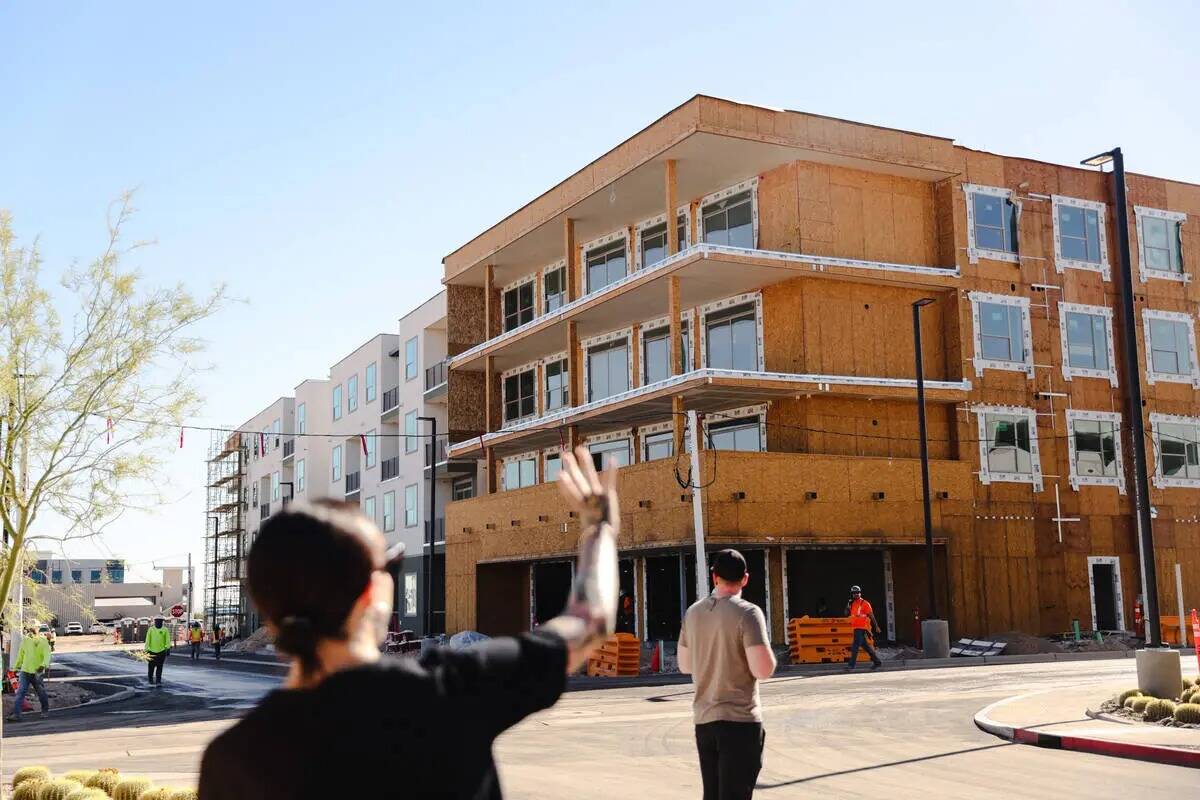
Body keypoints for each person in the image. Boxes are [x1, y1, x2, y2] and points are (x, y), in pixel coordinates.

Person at [198, 445, 619, 800]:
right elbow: (590, 619)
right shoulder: (449, 692)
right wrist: (598, 527)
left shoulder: (231, 758)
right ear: (370, 593)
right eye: (392, 567)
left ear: (267, 611)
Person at [678, 549, 776, 800]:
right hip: (740, 722)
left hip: (705, 722)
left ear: (714, 577)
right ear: (745, 578)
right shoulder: (748, 613)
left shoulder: (693, 613)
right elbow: (762, 669)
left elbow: (685, 665)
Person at [6, 623, 51, 722]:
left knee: (41, 692)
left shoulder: (43, 641)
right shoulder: (25, 640)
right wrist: (15, 667)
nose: (32, 630)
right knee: (20, 692)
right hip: (25, 671)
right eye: (30, 628)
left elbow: (47, 655)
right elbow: (21, 655)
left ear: (38, 629)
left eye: (34, 628)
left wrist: (43, 665)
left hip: (37, 672)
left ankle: (45, 710)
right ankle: (17, 714)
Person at [844, 584, 882, 671]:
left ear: (860, 593)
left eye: (857, 593)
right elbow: (846, 613)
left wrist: (876, 626)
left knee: (855, 646)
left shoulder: (865, 603)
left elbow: (872, 616)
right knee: (866, 647)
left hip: (861, 628)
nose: (855, 594)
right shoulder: (852, 603)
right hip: (856, 628)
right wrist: (848, 606)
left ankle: (851, 665)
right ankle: (877, 662)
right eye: (854, 593)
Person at [145, 616, 171, 685]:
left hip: (161, 651)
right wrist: (146, 650)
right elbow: (147, 640)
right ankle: (150, 680)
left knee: (159, 667)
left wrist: (168, 648)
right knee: (151, 667)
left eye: (160, 621)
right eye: (157, 621)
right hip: (151, 651)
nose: (159, 622)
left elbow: (167, 640)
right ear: (155, 621)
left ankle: (158, 681)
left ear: (162, 622)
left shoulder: (165, 630)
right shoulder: (151, 629)